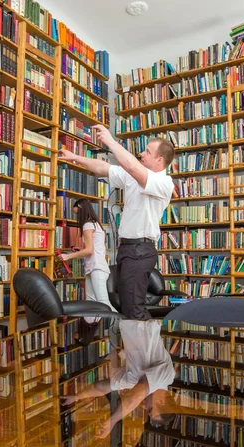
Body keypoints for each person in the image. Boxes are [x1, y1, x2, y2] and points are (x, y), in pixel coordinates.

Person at [58, 125, 175, 320]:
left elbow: (132, 166)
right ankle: (138, 348)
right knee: (128, 307)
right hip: (127, 250)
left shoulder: (164, 183)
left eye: (147, 151)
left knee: (133, 310)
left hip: (140, 250)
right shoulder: (132, 176)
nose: (141, 153)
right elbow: (103, 168)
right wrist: (75, 158)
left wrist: (111, 142)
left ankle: (147, 349)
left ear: (159, 160)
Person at [60, 319, 176, 439]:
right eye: (151, 409)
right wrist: (112, 421)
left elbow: (102, 388)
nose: (145, 407)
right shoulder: (166, 378)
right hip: (139, 317)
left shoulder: (134, 383)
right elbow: (135, 396)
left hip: (125, 320)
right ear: (162, 401)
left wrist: (77, 396)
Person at [58, 198, 117, 323]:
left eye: (77, 214)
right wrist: (81, 249)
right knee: (91, 302)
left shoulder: (87, 225)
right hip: (95, 268)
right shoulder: (96, 224)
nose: (77, 217)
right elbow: (93, 248)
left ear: (82, 210)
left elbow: (89, 251)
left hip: (97, 268)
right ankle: (91, 325)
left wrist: (67, 257)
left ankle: (124, 325)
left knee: (103, 303)